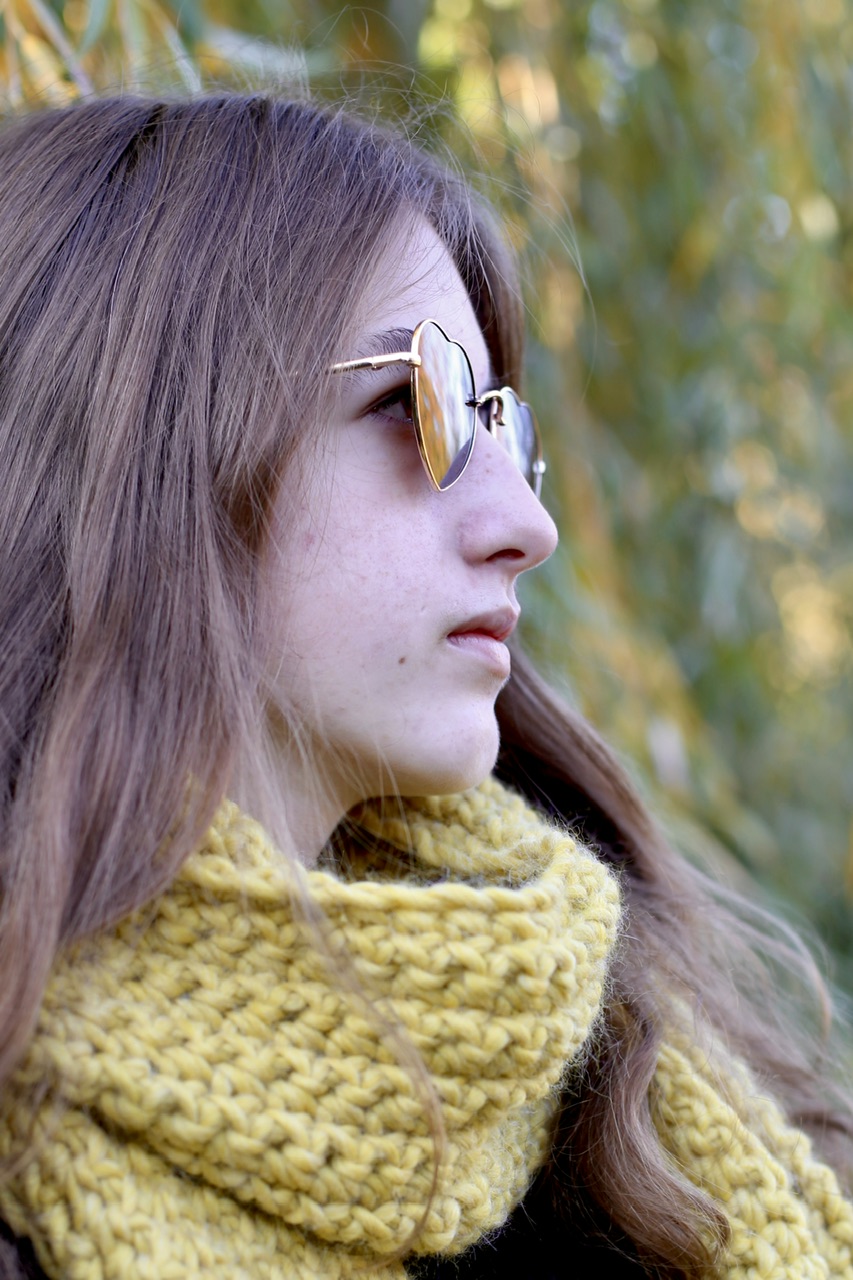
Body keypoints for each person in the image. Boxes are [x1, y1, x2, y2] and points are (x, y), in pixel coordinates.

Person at [0, 91, 850, 1280]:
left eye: (502, 424)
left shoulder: (628, 1102)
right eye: (422, 402)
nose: (527, 525)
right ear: (143, 446)